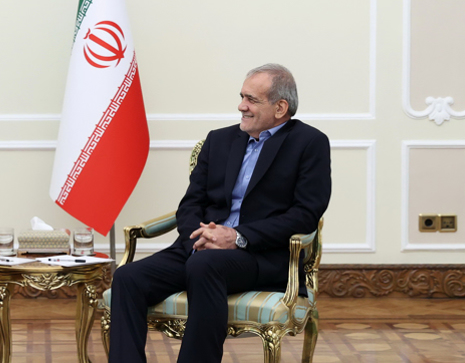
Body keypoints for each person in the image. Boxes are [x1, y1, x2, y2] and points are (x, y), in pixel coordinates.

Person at [108, 64, 331, 363]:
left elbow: (305, 214)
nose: (241, 106)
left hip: (261, 256)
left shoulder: (309, 143)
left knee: (205, 266)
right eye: (242, 97)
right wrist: (201, 237)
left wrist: (237, 237)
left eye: (252, 99)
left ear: (280, 107)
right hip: (200, 249)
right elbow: (190, 204)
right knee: (127, 277)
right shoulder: (219, 140)